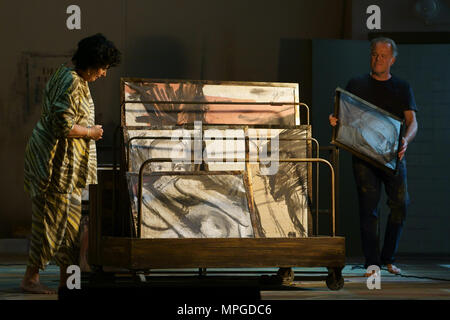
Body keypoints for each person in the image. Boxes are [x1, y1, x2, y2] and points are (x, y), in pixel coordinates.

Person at [21, 33, 121, 294]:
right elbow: (62, 125)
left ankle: (68, 280)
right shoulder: (72, 82)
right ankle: (30, 278)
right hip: (56, 166)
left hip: (65, 165)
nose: (103, 74)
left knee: (70, 223)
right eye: (102, 68)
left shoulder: (66, 74)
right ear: (91, 63)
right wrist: (91, 133)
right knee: (52, 221)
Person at [329, 37, 418, 276]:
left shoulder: (402, 87)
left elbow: (413, 122)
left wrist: (405, 140)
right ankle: (372, 263)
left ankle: (388, 257)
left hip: (393, 156)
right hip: (363, 156)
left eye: (382, 55)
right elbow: (342, 116)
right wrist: (335, 121)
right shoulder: (356, 84)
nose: (377, 59)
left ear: (392, 59)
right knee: (369, 210)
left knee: (400, 205)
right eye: (374, 54)